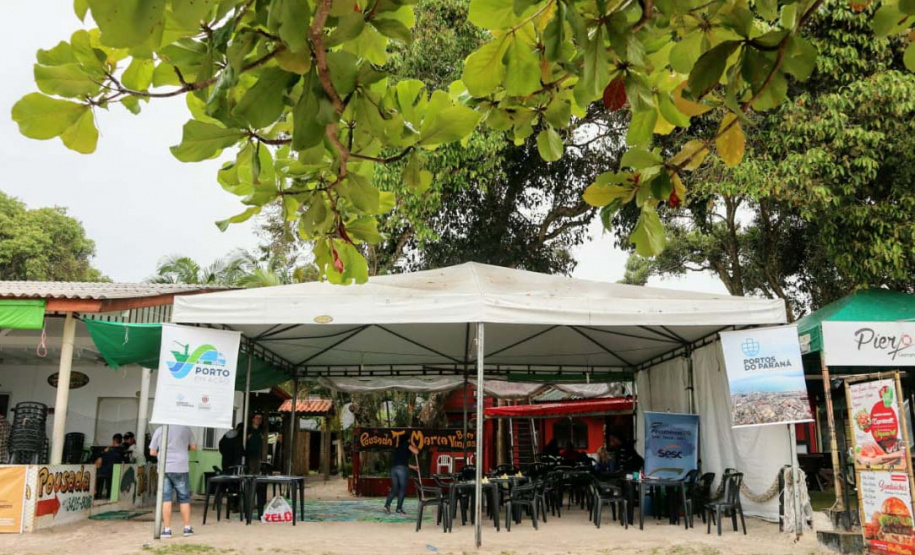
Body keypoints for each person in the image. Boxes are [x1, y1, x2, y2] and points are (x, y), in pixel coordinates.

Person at [149, 425, 197, 539]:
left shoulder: (160, 430)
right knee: (184, 498)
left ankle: (167, 530)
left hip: (164, 468)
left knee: (166, 499)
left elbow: (152, 452)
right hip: (181, 468)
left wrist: (164, 454)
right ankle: (187, 528)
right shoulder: (186, 429)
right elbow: (194, 447)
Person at [384, 437, 420, 515]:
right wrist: (414, 445)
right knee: (402, 490)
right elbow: (416, 452)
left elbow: (403, 462)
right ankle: (399, 509)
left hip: (394, 469)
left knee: (394, 489)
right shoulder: (407, 444)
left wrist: (414, 467)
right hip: (402, 470)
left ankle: (387, 505)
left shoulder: (398, 448)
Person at [94, 434, 124, 499]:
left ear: (114, 441)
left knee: (96, 470)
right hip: (117, 472)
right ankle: (108, 495)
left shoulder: (109, 452)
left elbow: (98, 462)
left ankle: (97, 494)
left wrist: (104, 452)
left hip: (106, 471)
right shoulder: (122, 451)